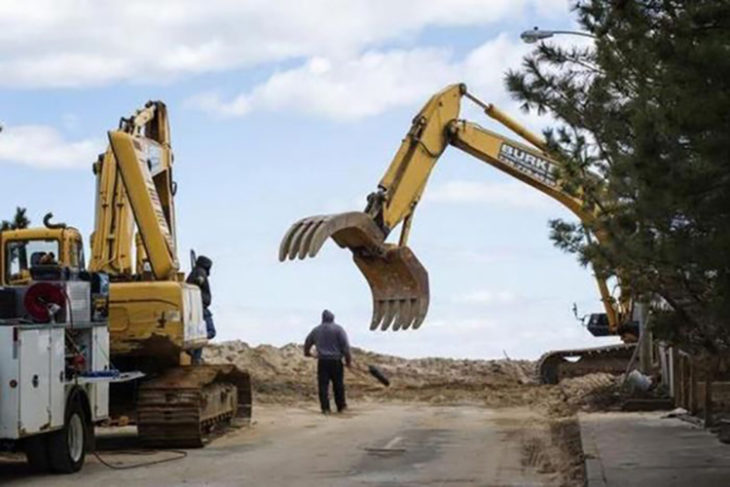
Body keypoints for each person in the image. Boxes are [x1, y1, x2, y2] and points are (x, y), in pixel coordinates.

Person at [304, 309, 352, 414]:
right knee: (338, 385)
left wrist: (307, 353)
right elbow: (346, 347)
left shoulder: (316, 330)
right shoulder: (339, 329)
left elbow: (307, 342)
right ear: (333, 318)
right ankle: (341, 407)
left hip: (323, 361)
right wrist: (348, 361)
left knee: (323, 386)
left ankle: (325, 408)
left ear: (322, 319)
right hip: (336, 361)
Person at [186, 255, 216, 364]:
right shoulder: (200, 272)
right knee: (210, 331)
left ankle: (195, 355)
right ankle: (195, 354)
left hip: (195, 307)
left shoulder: (194, 272)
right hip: (200, 307)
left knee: (201, 333)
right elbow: (199, 281)